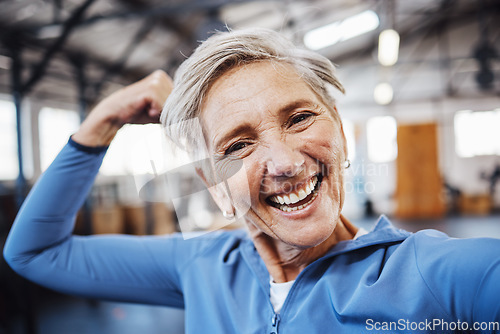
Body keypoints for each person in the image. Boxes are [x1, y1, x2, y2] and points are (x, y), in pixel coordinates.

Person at [3, 28, 500, 333]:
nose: (283, 161)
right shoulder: (202, 267)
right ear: (214, 185)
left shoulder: (433, 279)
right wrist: (99, 126)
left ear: (341, 136)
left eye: (300, 118)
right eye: (238, 146)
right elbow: (34, 252)